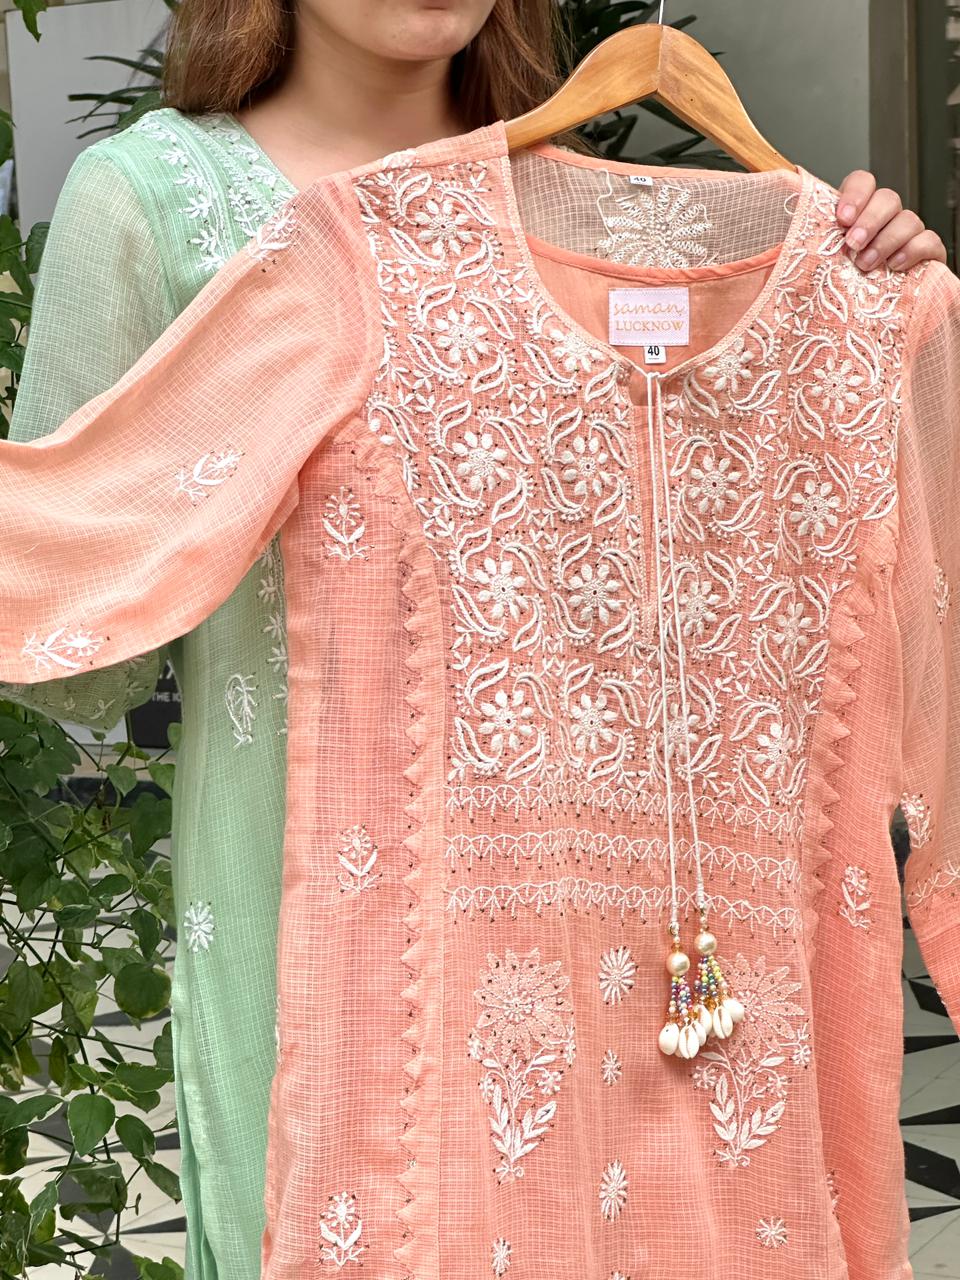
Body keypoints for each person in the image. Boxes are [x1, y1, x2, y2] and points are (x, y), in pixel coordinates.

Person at [0, 3, 947, 1277]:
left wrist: (874, 304)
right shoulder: (162, 202)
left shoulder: (582, 208)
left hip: (620, 919)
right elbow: (80, 614)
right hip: (310, 910)